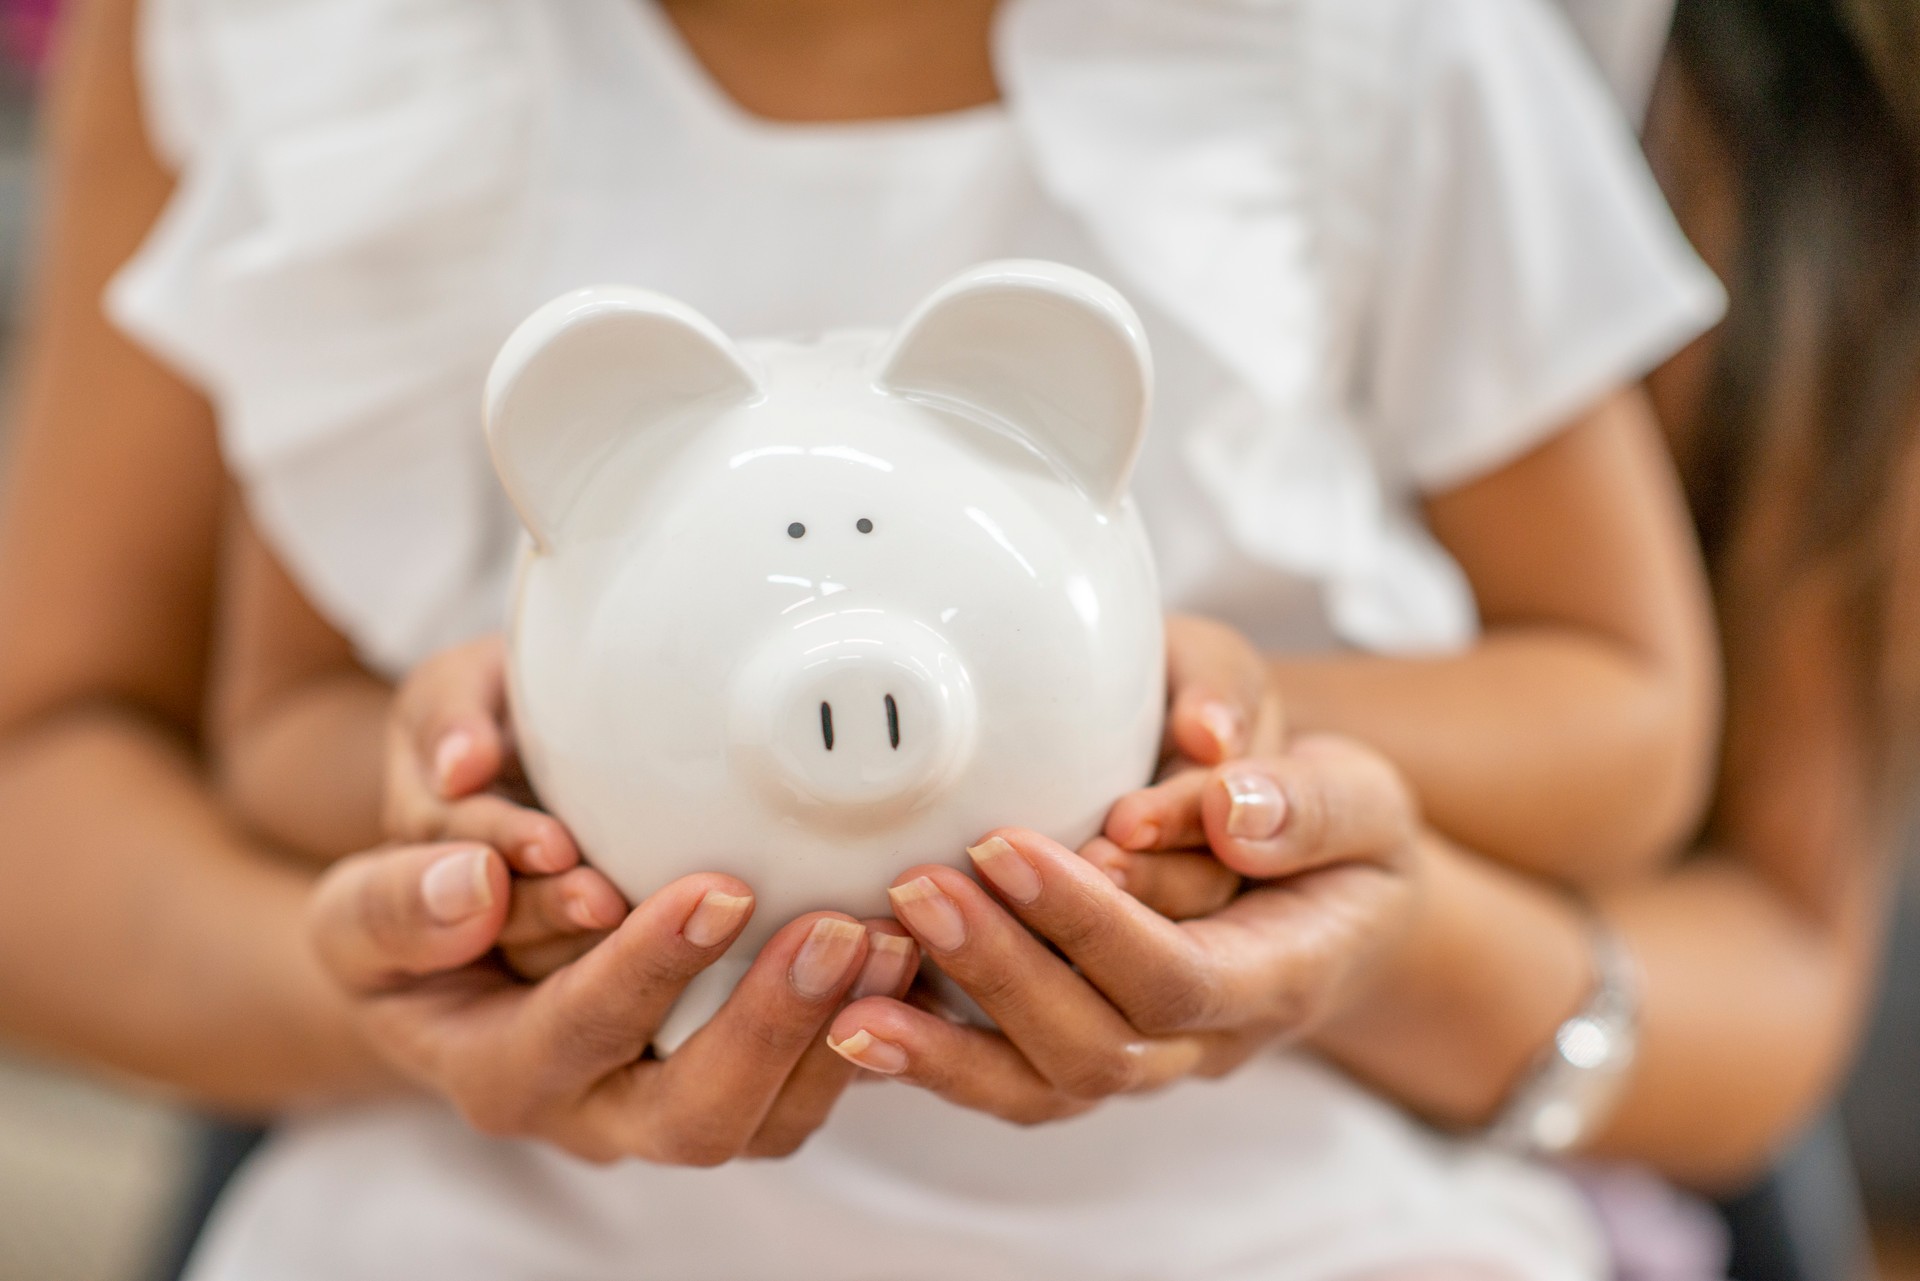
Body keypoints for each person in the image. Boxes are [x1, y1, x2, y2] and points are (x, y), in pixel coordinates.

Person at [0, 0, 1889, 1275]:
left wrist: (1202, 739)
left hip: (1262, 1205)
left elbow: (1635, 720)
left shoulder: (1379, 53)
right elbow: (283, 730)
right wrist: (472, 813)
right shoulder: (358, 83)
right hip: (531, 1206)